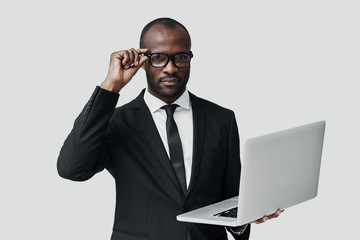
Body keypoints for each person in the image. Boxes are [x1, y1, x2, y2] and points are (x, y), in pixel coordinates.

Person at [57, 17, 282, 240]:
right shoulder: (117, 121)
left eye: (181, 57)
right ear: (143, 60)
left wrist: (247, 216)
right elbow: (72, 168)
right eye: (158, 58)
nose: (171, 68)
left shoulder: (221, 119)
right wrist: (111, 86)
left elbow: (232, 195)